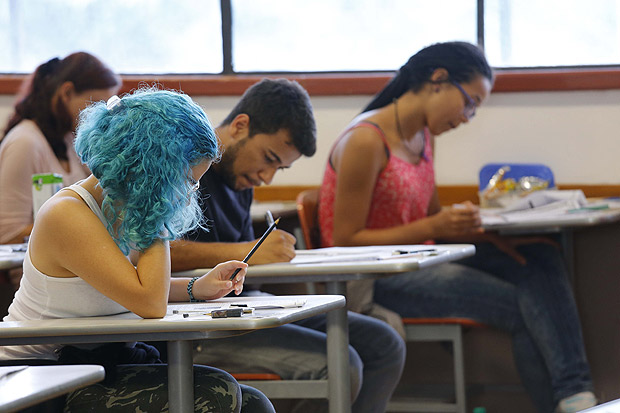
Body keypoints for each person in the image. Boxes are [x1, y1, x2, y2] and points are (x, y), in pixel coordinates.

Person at [317, 41, 596, 413]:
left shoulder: (423, 137)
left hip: (424, 257)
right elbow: (345, 239)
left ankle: (575, 395)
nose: (467, 116)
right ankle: (569, 400)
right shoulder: (366, 140)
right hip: (376, 277)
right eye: (470, 102)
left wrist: (480, 227)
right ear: (438, 80)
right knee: (527, 306)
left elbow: (430, 221)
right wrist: (436, 223)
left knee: (541, 253)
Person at [0, 88, 275, 413]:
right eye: (185, 181)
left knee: (254, 404)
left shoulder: (115, 207)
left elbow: (122, 289)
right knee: (215, 392)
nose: (188, 194)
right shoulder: (67, 214)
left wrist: (195, 287)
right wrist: (156, 210)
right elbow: (149, 302)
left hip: (96, 362)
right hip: (41, 378)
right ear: (154, 171)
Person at [170, 78, 406, 413]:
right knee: (344, 363)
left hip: (244, 307)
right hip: (197, 324)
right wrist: (248, 250)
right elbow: (159, 252)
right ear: (240, 126)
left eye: (279, 168)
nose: (267, 177)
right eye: (268, 158)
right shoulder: (185, 168)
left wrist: (262, 255)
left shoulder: (241, 177)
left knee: (384, 343)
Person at [0, 52, 122, 245]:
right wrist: (84, 223)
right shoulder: (24, 142)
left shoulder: (69, 140)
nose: (102, 116)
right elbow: (6, 233)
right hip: (42, 268)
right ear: (67, 93)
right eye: (96, 103)